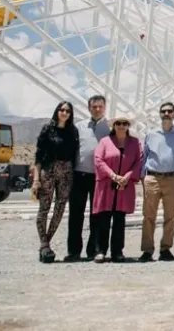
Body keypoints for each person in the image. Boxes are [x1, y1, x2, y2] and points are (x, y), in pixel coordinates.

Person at [139, 101, 174, 262]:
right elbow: (145, 155)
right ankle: (147, 250)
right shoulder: (151, 134)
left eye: (170, 111)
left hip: (173, 178)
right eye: (163, 111)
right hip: (152, 177)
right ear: (160, 114)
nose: (166, 114)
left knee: (171, 216)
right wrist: (142, 175)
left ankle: (165, 249)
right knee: (148, 215)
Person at [31, 101, 79, 263]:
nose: (65, 113)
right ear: (57, 111)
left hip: (66, 172)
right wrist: (36, 179)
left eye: (68, 111)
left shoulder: (73, 131)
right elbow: (38, 155)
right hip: (48, 171)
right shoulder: (47, 129)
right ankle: (44, 245)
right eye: (62, 110)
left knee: (60, 208)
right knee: (44, 208)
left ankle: (46, 243)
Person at [92, 117, 144, 263]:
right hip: (107, 185)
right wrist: (113, 175)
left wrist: (126, 177)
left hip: (124, 186)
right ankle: (100, 250)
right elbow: (98, 160)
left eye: (125, 124)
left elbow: (138, 161)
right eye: (118, 124)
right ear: (113, 126)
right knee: (103, 218)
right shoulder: (104, 142)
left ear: (128, 126)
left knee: (120, 220)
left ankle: (117, 251)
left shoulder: (135, 143)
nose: (121, 126)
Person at [66, 94, 109, 262]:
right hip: (79, 175)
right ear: (88, 108)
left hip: (100, 178)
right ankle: (74, 251)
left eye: (100, 106)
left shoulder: (110, 128)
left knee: (97, 215)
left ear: (104, 107)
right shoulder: (79, 127)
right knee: (76, 214)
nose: (97, 109)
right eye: (94, 106)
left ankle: (94, 250)